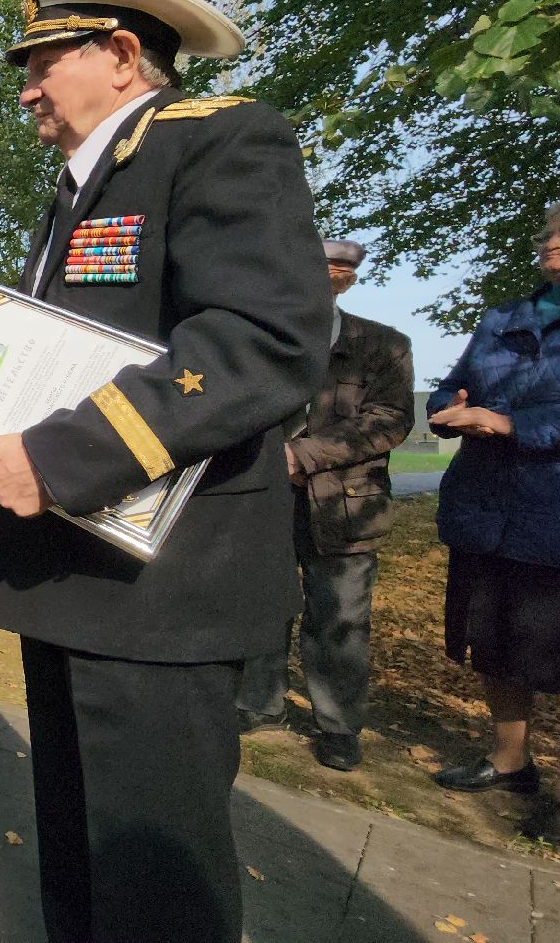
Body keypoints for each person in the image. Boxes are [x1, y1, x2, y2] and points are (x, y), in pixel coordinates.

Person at [0, 0, 329, 941]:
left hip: (161, 592)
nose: (26, 89)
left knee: (152, 888)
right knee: (79, 856)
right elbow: (102, 348)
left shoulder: (219, 140)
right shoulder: (77, 189)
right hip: (75, 572)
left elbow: (261, 342)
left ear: (123, 54)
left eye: (40, 62)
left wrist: (54, 458)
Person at [428, 192, 560, 846]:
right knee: (497, 642)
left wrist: (513, 423)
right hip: (488, 512)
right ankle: (511, 761)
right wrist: (448, 405)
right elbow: (454, 381)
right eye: (548, 232)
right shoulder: (504, 317)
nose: (553, 241)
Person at [237, 238, 413, 771]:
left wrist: (303, 454)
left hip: (344, 506)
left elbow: (389, 419)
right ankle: (257, 704)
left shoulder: (384, 345)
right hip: (261, 497)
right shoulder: (261, 338)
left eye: (332, 273)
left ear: (346, 281)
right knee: (262, 603)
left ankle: (337, 725)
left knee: (340, 616)